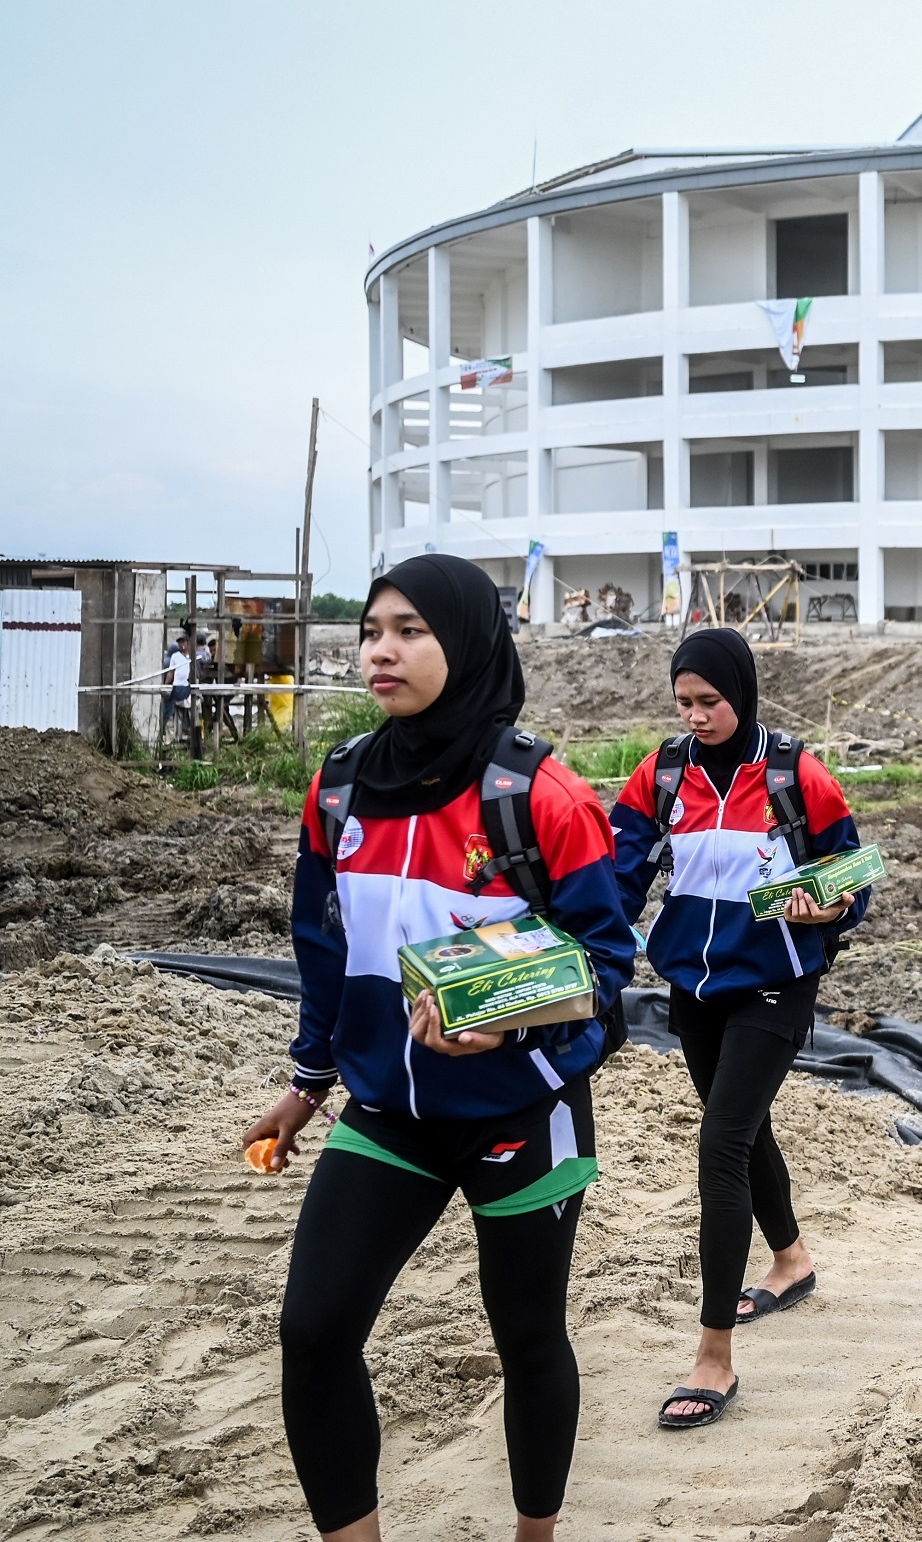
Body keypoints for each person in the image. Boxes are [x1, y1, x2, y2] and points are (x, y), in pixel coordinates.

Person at [246, 554, 637, 1542]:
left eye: (411, 629)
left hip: (522, 1113)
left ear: (464, 643)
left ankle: (533, 1534)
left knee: (528, 1337)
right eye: (373, 628)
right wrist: (306, 1083)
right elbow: (324, 948)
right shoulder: (337, 791)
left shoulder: (540, 794)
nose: (382, 647)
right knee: (314, 1329)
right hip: (387, 1113)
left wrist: (511, 1021)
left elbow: (607, 971)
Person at [610, 627, 872, 1430]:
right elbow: (619, 874)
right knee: (742, 1128)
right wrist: (583, 957)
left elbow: (852, 873)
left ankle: (713, 1355)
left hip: (777, 981)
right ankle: (791, 1259)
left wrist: (829, 903)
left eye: (710, 701)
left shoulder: (797, 775)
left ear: (743, 694)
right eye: (684, 702)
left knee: (720, 1142)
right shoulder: (660, 774)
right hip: (693, 983)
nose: (696, 716)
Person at [163, 630, 196, 748]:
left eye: (183, 642)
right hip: (178, 687)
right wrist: (167, 685)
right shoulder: (175, 657)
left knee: (192, 713)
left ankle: (193, 736)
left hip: (190, 688)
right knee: (178, 714)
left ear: (188, 643)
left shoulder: (193, 656)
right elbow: (171, 672)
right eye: (180, 643)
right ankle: (179, 737)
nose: (182, 645)